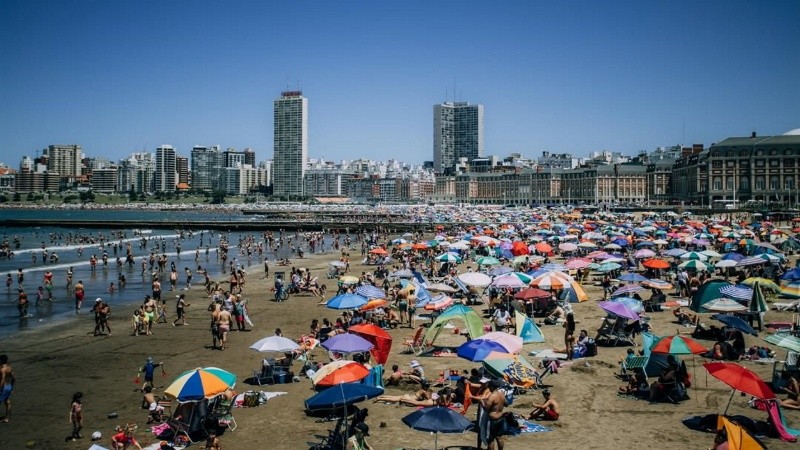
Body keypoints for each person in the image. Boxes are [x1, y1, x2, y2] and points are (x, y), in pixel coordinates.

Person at [470, 379, 507, 450]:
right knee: (499, 437)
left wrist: (482, 402)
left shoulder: (492, 397)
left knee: (490, 439)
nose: (489, 388)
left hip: (492, 420)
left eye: (490, 386)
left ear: (492, 387)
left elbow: (486, 409)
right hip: (500, 418)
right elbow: (506, 403)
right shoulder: (502, 394)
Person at [0, 354, 14, 422]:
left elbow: (2, 379)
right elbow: (13, 378)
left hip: (3, 388)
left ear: (1, 360)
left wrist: (0, 388)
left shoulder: (2, 369)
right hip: (9, 386)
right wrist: (12, 387)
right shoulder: (10, 368)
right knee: (7, 401)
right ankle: (7, 418)